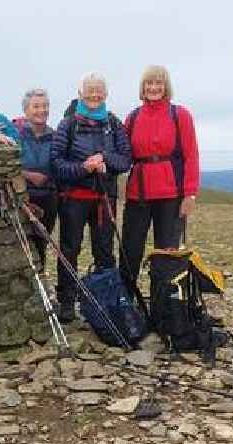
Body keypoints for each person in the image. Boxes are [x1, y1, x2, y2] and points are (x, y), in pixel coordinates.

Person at [50, 72, 132, 322]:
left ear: (105, 94)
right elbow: (56, 164)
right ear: (80, 93)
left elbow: (126, 159)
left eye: (99, 90)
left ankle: (105, 302)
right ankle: (66, 301)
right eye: (90, 90)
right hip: (74, 198)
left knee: (105, 252)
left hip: (103, 199)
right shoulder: (68, 124)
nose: (94, 94)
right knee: (69, 250)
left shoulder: (114, 123)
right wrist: (84, 168)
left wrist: (105, 159)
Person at [119, 65, 199, 288]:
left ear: (166, 87)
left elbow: (191, 155)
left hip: (171, 195)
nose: (153, 87)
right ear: (142, 88)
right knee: (130, 250)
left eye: (158, 83)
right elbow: (122, 153)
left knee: (166, 255)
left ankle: (163, 308)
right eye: (149, 83)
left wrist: (190, 194)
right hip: (138, 194)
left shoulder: (180, 115)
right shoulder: (133, 117)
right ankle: (126, 301)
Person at [13, 88, 57, 268]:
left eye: (45, 106)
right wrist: (28, 175)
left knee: (41, 243)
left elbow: (60, 164)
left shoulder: (55, 136)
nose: (42, 110)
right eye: (36, 106)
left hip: (48, 197)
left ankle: (41, 285)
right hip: (23, 196)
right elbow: (8, 163)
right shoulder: (16, 134)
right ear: (26, 110)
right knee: (20, 244)